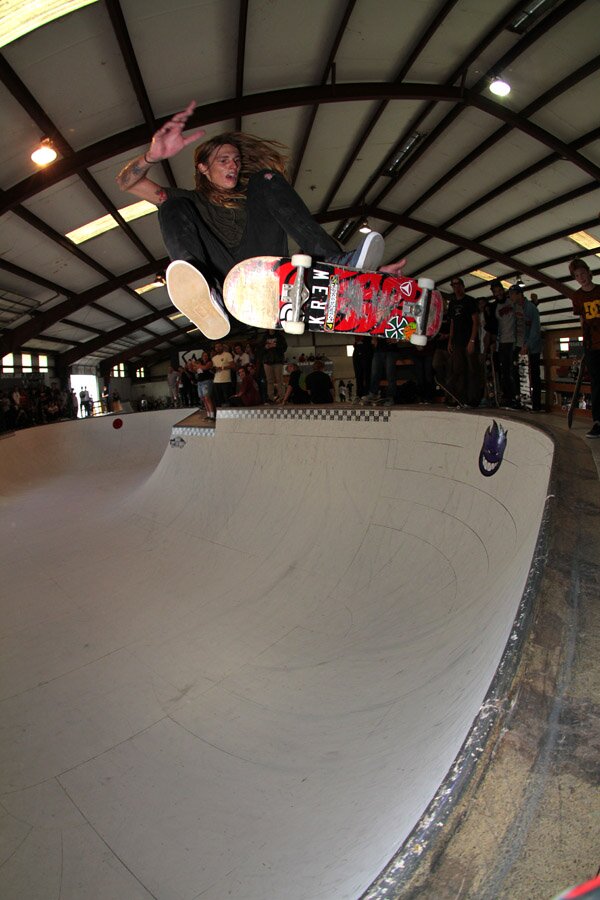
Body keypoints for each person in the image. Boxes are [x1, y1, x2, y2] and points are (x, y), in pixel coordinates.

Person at [116, 101, 404, 337]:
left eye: (236, 160)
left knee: (265, 179)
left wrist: (373, 278)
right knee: (170, 205)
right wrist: (152, 156)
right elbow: (127, 182)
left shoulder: (253, 195)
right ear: (203, 168)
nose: (233, 166)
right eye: (223, 160)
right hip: (222, 275)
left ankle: (340, 265)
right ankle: (202, 290)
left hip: (260, 266)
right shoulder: (190, 199)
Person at [569, 258, 600, 438]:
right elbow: (582, 319)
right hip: (592, 345)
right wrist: (584, 342)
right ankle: (597, 421)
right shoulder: (577, 296)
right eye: (577, 276)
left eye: (583, 273)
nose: (581, 278)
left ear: (589, 272)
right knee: (596, 383)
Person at [509, 285, 543, 411]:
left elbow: (535, 329)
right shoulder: (515, 308)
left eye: (513, 294)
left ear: (519, 294)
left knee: (534, 375)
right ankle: (524, 402)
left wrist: (527, 345)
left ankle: (536, 404)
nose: (511, 297)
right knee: (521, 375)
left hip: (532, 347)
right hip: (519, 344)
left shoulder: (531, 308)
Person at [446, 277, 479, 406]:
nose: (456, 288)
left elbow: (476, 322)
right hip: (457, 341)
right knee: (458, 369)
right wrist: (450, 341)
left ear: (462, 286)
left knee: (472, 369)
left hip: (468, 339)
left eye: (458, 285)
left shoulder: (470, 301)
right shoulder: (452, 304)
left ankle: (473, 400)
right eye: (454, 286)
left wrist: (472, 340)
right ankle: (460, 398)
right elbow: (452, 324)